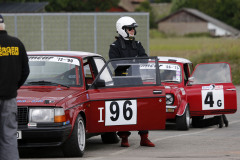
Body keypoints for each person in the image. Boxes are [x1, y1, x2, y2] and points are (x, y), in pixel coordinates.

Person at [108, 16, 155, 147]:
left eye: (133, 29)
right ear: (122, 29)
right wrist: (134, 60)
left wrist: (129, 62)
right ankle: (124, 138)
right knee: (124, 109)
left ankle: (144, 137)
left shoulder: (137, 44)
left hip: (137, 81)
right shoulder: (114, 46)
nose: (133, 31)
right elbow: (115, 64)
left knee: (142, 109)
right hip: (121, 82)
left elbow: (145, 59)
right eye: (130, 28)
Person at [0, 15, 30, 160]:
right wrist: (13, 87)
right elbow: (26, 71)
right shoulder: (16, 44)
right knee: (9, 136)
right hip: (10, 98)